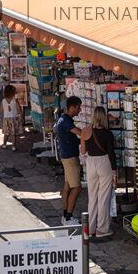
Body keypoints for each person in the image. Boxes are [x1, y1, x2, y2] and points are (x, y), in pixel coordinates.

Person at [81, 106, 118, 239]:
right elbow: (111, 153)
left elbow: (83, 151)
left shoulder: (85, 131)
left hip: (91, 162)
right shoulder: (108, 133)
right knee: (103, 197)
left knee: (92, 197)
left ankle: (90, 228)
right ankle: (102, 229)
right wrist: (115, 170)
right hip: (104, 162)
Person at [55, 96, 84, 225]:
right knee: (76, 188)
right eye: (78, 108)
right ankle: (68, 217)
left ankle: (65, 214)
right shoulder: (66, 122)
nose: (79, 110)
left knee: (67, 186)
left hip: (66, 156)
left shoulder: (63, 119)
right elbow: (80, 133)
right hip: (70, 158)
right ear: (71, 107)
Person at [1, 84, 22, 152]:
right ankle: (13, 146)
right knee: (13, 134)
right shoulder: (15, 101)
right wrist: (20, 115)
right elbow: (19, 110)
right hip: (14, 119)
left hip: (6, 119)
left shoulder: (3, 101)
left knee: (6, 133)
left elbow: (0, 110)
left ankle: (4, 144)